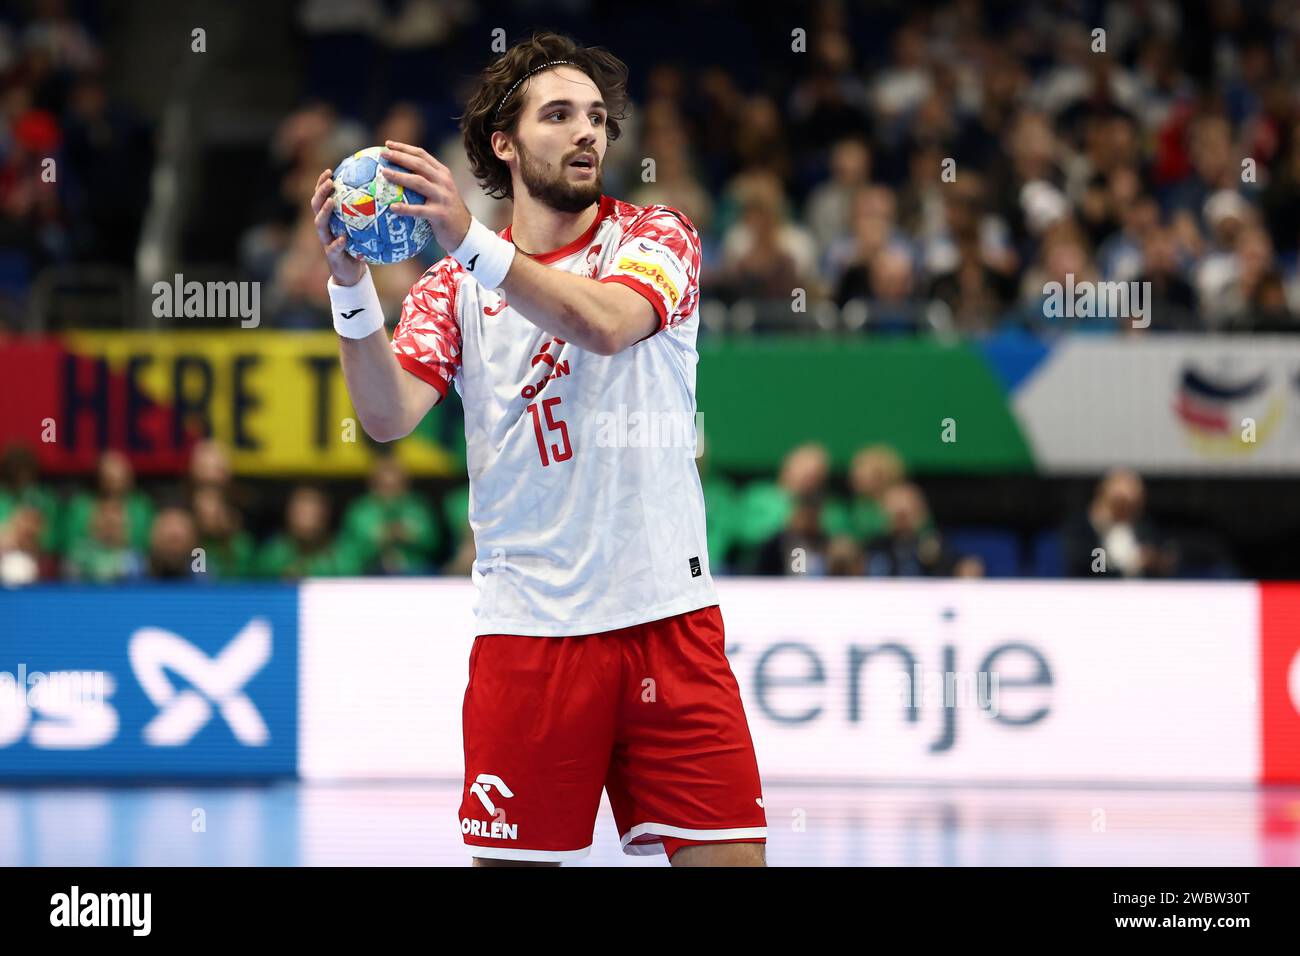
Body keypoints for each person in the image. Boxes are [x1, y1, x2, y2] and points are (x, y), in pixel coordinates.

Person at [310, 32, 765, 866]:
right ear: (504, 144)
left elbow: (602, 324)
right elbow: (386, 415)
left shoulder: (657, 237)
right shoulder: (450, 289)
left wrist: (469, 242)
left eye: (596, 116)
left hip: (669, 621)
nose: (588, 132)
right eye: (559, 115)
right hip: (529, 637)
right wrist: (349, 287)